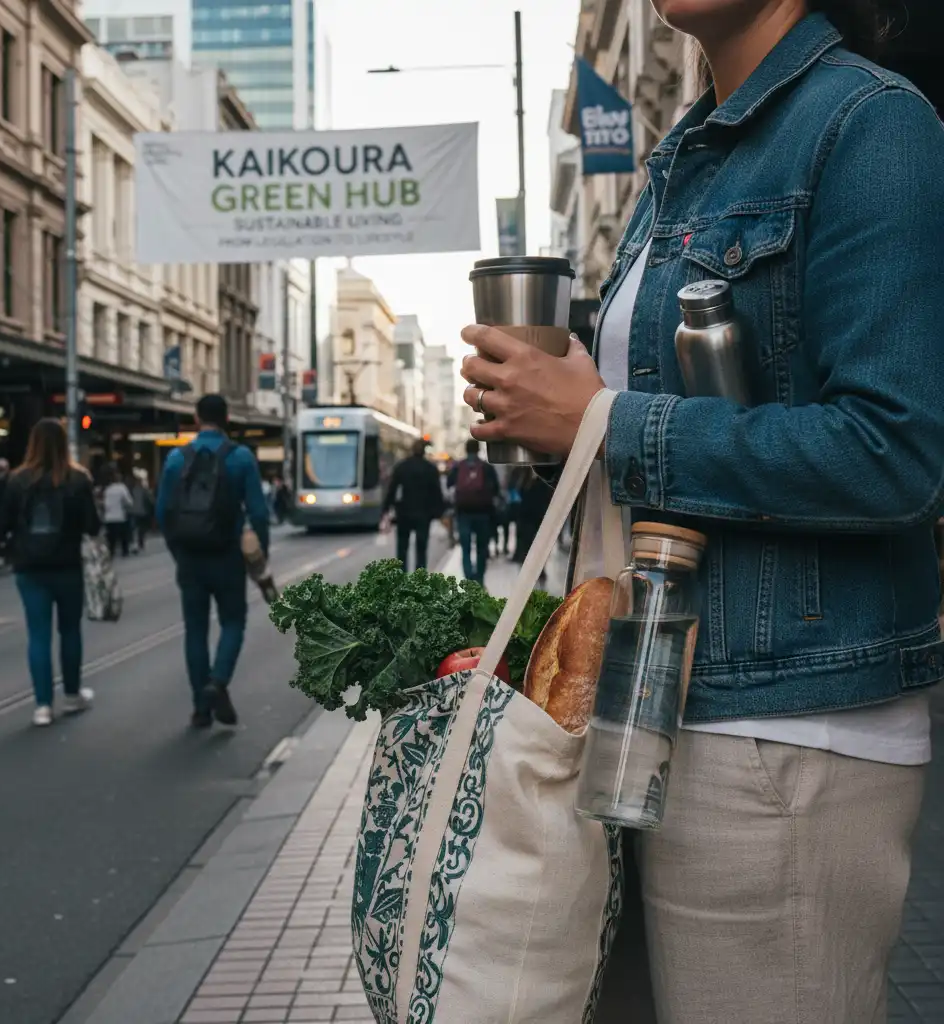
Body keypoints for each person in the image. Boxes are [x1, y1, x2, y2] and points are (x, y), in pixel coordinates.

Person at [460, 4, 944, 1021]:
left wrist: (602, 417)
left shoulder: (871, 123)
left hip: (786, 732)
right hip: (654, 708)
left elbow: (894, 453)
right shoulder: (685, 158)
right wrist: (567, 408)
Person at [156, 393, 271, 729]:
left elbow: (163, 512)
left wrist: (177, 551)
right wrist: (258, 556)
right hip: (228, 556)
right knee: (233, 621)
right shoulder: (241, 458)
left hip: (190, 557)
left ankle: (200, 709)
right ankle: (218, 682)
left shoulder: (177, 458)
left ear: (196, 418)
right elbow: (259, 514)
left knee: (195, 629)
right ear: (227, 419)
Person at [0, 419, 101, 727]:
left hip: (29, 568)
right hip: (67, 566)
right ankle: (71, 695)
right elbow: (92, 526)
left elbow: (1, 525)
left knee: (38, 635)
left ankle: (42, 706)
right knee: (70, 631)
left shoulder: (17, 481)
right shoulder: (78, 479)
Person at [381, 439, 445, 572]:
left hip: (404, 512)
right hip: (424, 513)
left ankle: (402, 576)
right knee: (421, 548)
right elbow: (436, 492)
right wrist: (439, 512)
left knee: (402, 548)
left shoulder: (402, 466)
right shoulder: (430, 468)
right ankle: (419, 578)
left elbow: (392, 490)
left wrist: (386, 509)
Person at [446, 439, 499, 586]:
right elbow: (496, 488)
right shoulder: (486, 467)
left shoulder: (458, 466)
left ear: (466, 449)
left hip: (463, 512)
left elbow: (449, 483)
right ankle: (480, 577)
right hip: (483, 513)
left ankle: (469, 576)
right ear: (477, 450)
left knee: (466, 546)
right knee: (482, 547)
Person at [102, 469, 133, 558]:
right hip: (120, 516)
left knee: (112, 538)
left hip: (109, 517)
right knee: (124, 535)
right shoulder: (122, 488)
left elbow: (105, 504)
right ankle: (125, 551)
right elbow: (128, 502)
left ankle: (111, 552)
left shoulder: (107, 489)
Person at [129, 473, 153, 553]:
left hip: (134, 511)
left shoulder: (131, 490)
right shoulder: (144, 490)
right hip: (142, 512)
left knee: (134, 528)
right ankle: (140, 542)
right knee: (142, 529)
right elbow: (149, 501)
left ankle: (135, 543)